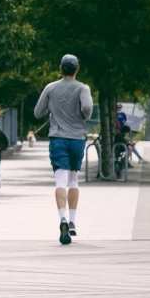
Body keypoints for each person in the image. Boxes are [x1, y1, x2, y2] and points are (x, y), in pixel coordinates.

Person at [34, 54, 93, 245]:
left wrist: (53, 109)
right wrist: (84, 118)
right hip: (76, 138)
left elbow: (37, 113)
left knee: (60, 179)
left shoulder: (50, 88)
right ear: (77, 69)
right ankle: (74, 221)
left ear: (60, 68)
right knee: (74, 178)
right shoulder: (83, 88)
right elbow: (87, 107)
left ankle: (62, 219)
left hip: (58, 138)